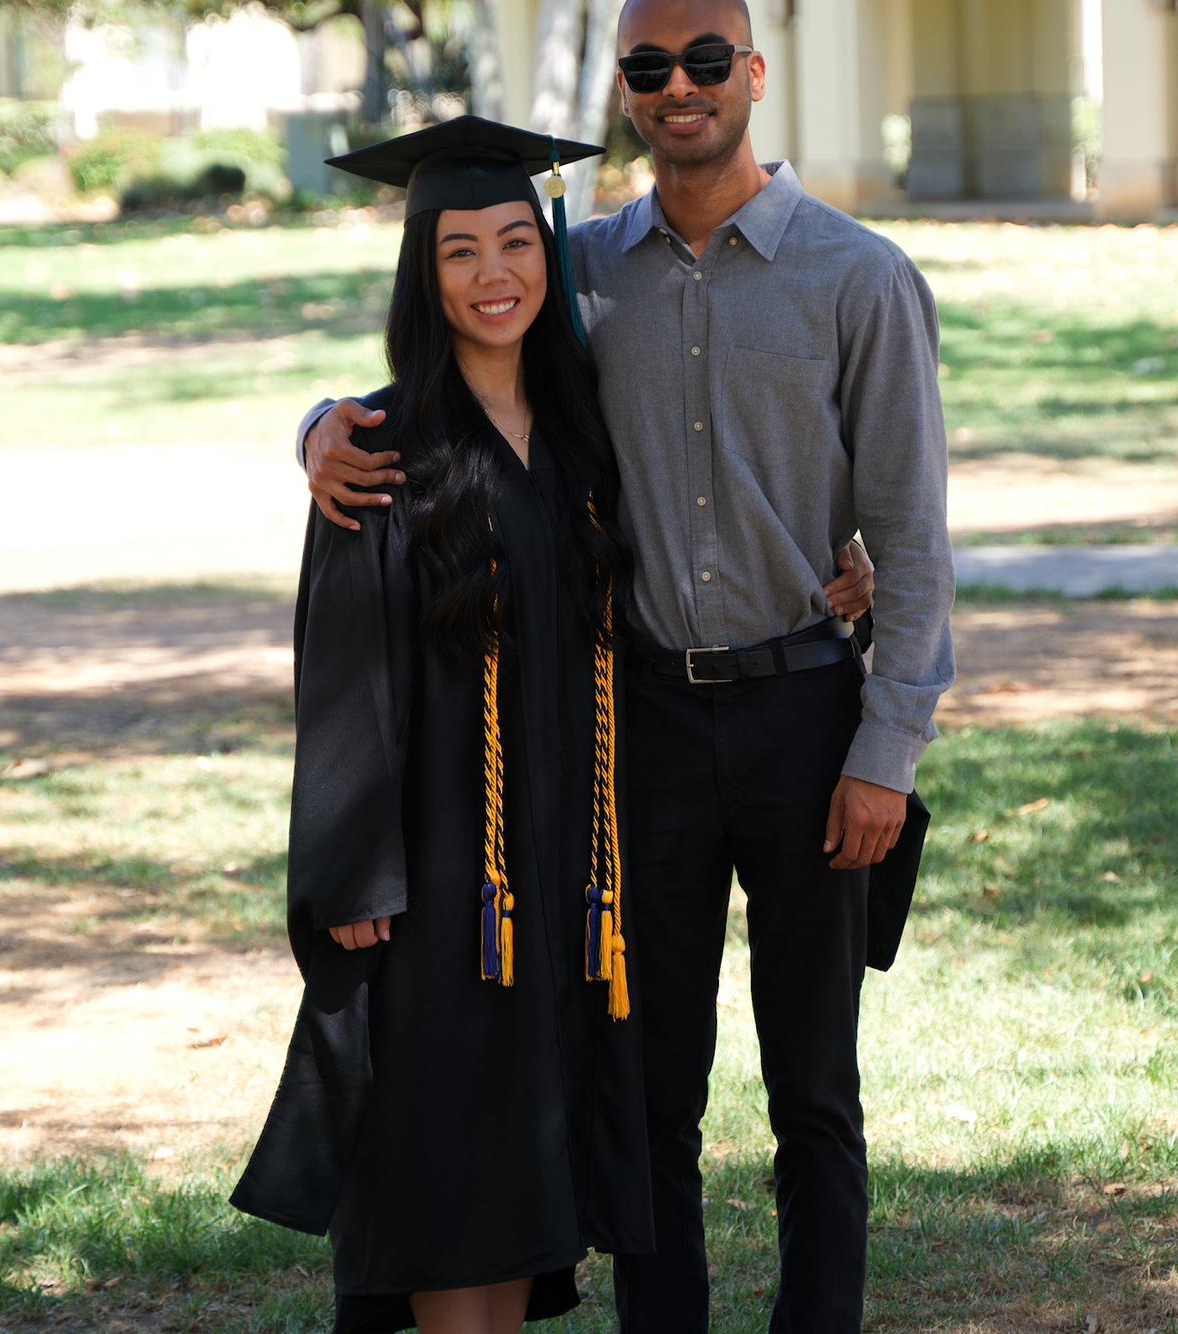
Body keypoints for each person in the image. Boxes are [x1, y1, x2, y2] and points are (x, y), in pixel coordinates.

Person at [298, 0, 955, 1328]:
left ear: (753, 76)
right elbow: (457, 356)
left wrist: (885, 753)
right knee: (649, 1077)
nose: (680, 86)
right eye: (649, 67)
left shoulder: (858, 276)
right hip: (640, 728)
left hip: (809, 719)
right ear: (624, 89)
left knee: (814, 1089)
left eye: (706, 60)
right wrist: (317, 426)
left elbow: (911, 538)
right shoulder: (579, 272)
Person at [230, 118, 655, 1334]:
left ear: (550, 257)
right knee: (439, 1147)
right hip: (436, 877)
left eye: (516, 241)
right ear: (423, 275)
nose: (492, 274)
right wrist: (353, 869)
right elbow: (342, 675)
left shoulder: (582, 436)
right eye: (458, 250)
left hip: (564, 871)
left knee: (527, 1149)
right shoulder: (374, 450)